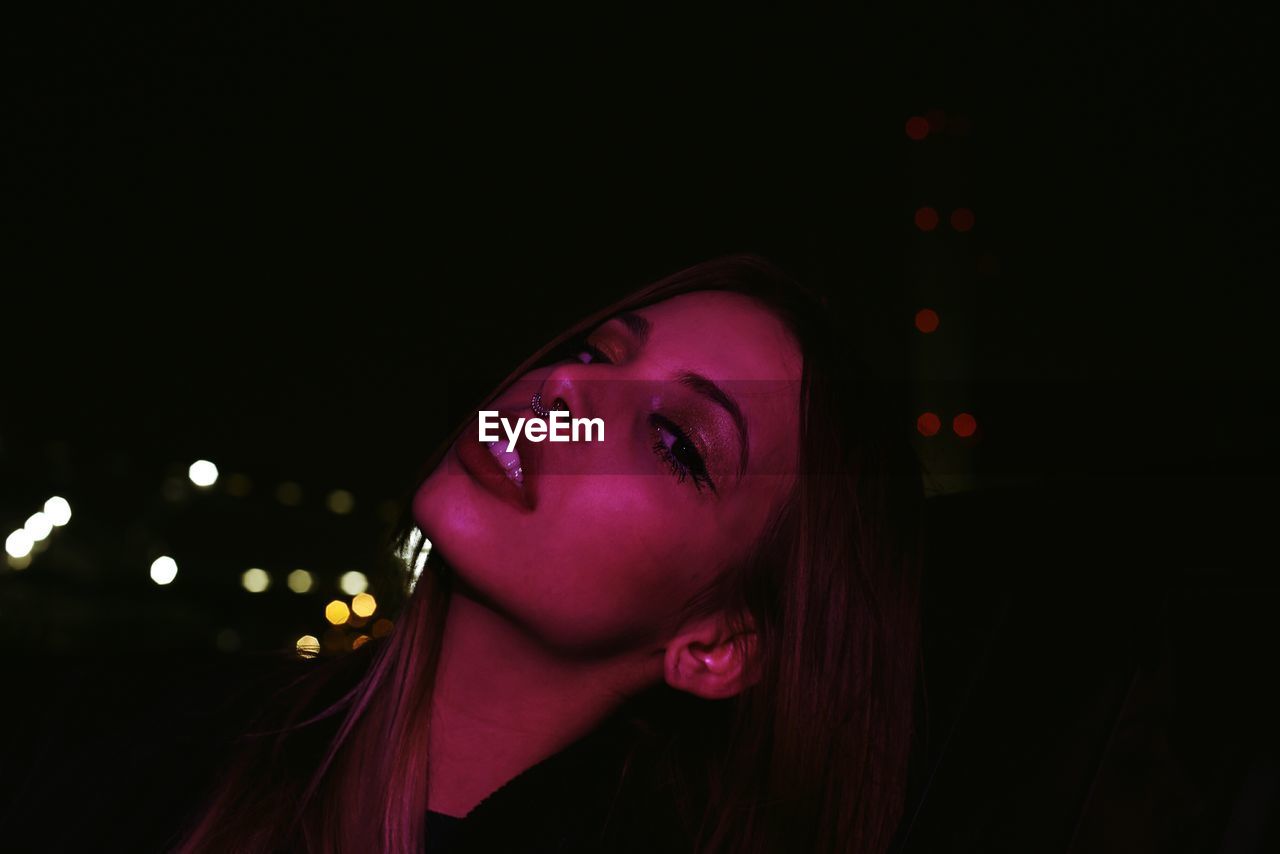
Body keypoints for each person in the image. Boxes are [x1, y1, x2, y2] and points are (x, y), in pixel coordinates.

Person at [170, 254, 925, 854]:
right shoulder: (141, 754)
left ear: (719, 644)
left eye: (676, 443)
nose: (562, 385)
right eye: (598, 353)